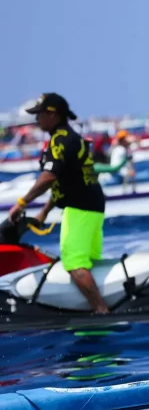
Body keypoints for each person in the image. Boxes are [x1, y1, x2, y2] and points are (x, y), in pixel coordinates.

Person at [7, 93, 108, 314]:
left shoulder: (60, 141)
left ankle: (101, 311)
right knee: (87, 260)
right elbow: (65, 180)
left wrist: (22, 202)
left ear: (52, 114)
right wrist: (44, 211)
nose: (37, 120)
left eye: (40, 115)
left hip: (79, 208)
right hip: (91, 205)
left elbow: (49, 177)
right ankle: (103, 303)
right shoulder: (71, 137)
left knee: (73, 262)